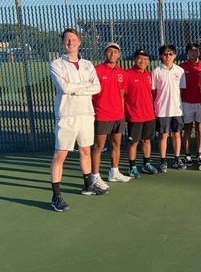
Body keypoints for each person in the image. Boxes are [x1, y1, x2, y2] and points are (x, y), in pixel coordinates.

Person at [48, 28, 103, 212]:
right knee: (60, 156)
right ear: (63, 42)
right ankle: (56, 196)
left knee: (85, 151)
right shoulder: (56, 64)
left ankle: (88, 185)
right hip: (66, 116)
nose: (70, 42)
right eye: (67, 39)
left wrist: (76, 87)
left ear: (79, 42)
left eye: (73, 39)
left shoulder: (88, 64)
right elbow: (64, 88)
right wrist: (84, 85)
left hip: (86, 115)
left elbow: (97, 88)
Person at [91, 42, 131, 184]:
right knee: (99, 146)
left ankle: (114, 172)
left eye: (115, 51)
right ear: (104, 53)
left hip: (118, 116)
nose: (112, 54)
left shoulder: (123, 74)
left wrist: (122, 115)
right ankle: (94, 177)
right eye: (109, 51)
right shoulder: (96, 70)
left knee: (116, 144)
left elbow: (121, 95)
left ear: (119, 54)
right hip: (101, 114)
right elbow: (91, 94)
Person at [151, 44, 186, 172]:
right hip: (162, 109)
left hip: (177, 109)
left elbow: (181, 90)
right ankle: (163, 161)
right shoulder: (156, 71)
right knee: (163, 135)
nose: (168, 56)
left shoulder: (180, 71)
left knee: (177, 134)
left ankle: (177, 159)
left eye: (170, 54)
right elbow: (154, 91)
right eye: (165, 54)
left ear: (175, 56)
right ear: (161, 56)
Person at [124, 49, 158, 178]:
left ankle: (146, 164)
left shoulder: (149, 75)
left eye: (145, 59)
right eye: (140, 58)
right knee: (133, 142)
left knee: (147, 140)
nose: (142, 61)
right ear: (134, 59)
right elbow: (122, 95)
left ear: (148, 61)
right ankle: (132, 167)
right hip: (134, 115)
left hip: (149, 115)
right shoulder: (128, 75)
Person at [179, 43, 201, 167]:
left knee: (200, 128)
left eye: (196, 51)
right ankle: (188, 154)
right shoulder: (181, 68)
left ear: (199, 53)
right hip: (186, 103)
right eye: (191, 51)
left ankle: (199, 153)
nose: (193, 53)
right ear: (187, 53)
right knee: (188, 129)